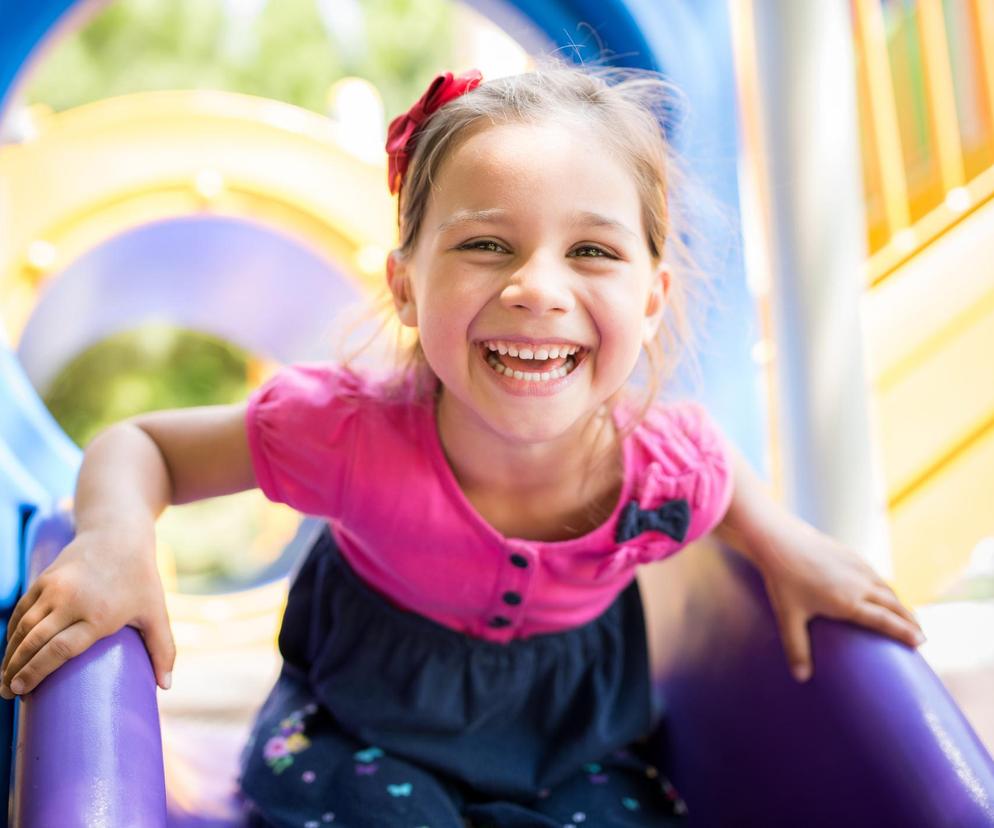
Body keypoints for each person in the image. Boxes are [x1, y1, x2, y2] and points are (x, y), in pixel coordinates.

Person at [1, 62, 924, 827]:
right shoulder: (349, 432)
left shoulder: (662, 467)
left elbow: (722, 483)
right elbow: (141, 445)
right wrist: (117, 540)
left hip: (574, 750)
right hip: (360, 733)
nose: (538, 288)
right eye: (486, 245)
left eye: (593, 253)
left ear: (651, 299)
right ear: (406, 288)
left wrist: (786, 544)